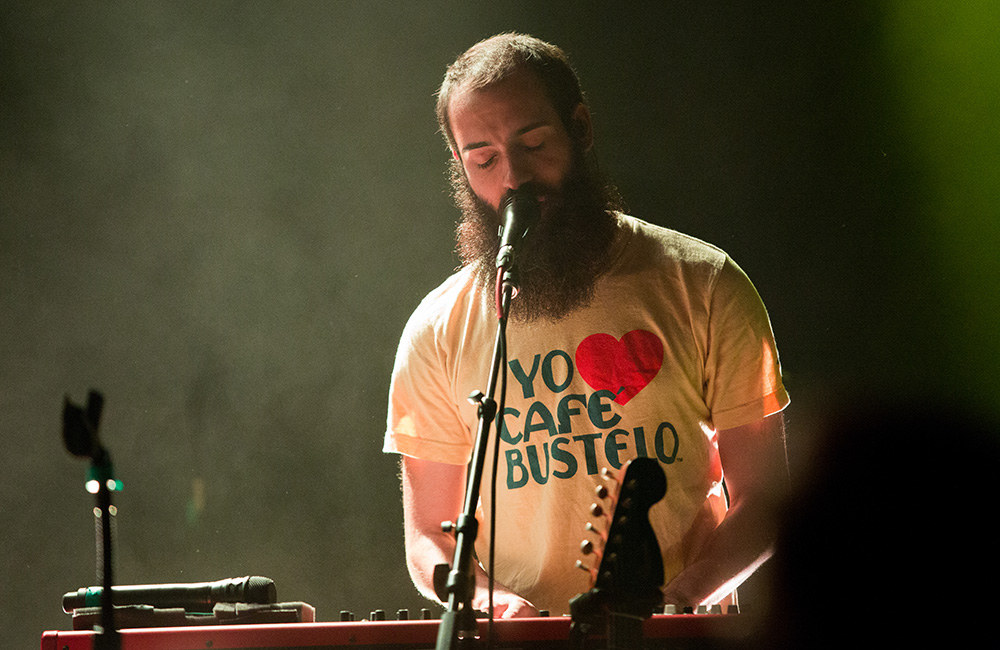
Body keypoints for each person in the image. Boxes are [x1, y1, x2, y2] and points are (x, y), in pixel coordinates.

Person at [383, 33, 790, 619]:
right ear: (459, 166)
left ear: (581, 128)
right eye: (484, 158)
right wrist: (495, 605)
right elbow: (428, 538)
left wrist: (685, 595)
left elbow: (764, 498)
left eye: (534, 142)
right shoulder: (436, 329)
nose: (514, 177)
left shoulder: (704, 285)